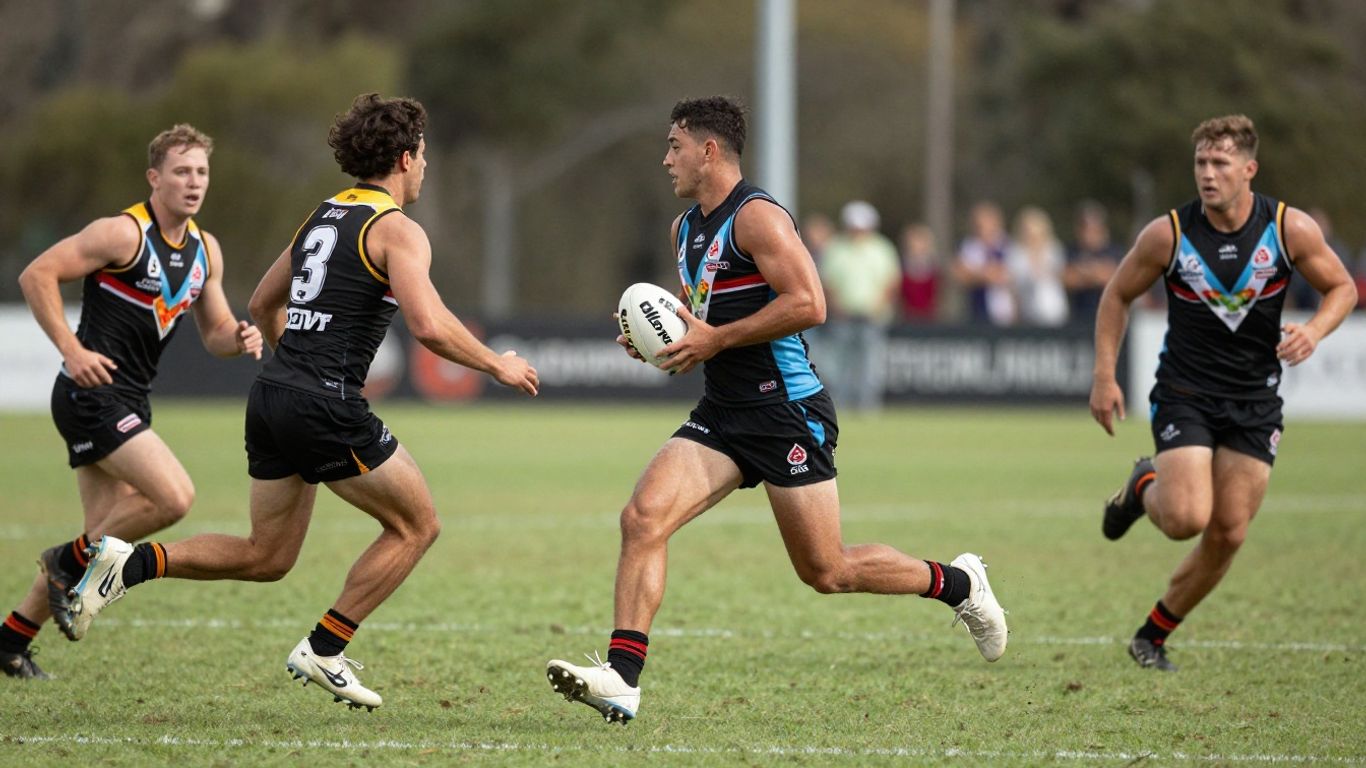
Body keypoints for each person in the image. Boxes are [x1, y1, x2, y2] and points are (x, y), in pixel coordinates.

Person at [66, 93, 540, 709]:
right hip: (324, 403)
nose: (425, 168)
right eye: (423, 157)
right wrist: (495, 362)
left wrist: (293, 360)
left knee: (267, 557)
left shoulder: (323, 215)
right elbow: (427, 324)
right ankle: (324, 647)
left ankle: (126, 565)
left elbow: (262, 303)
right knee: (417, 525)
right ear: (404, 157)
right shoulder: (397, 229)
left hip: (270, 396)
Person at [545, 96, 1006, 724]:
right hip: (723, 412)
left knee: (827, 570)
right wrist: (661, 342)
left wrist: (715, 339)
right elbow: (705, 317)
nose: (665, 160)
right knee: (642, 517)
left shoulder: (758, 218)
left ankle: (960, 585)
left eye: (674, 146)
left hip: (786, 410)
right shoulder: (685, 229)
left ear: (709, 151)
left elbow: (810, 303)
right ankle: (622, 679)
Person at [1090, 114, 1356, 671]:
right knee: (1186, 517)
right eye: (1201, 163)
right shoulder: (1170, 234)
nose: (1207, 175)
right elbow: (1116, 296)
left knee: (1229, 532)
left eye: (1220, 164)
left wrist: (1312, 330)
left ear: (1249, 170)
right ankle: (1145, 484)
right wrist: (1104, 375)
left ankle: (1152, 635)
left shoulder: (1289, 229)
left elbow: (1342, 288)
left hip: (1255, 400)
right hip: (1186, 391)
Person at [1, 125, 263, 680]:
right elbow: (36, 274)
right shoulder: (122, 234)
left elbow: (214, 331)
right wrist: (71, 350)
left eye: (201, 173)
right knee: (173, 497)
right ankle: (63, 561)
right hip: (89, 392)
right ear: (154, 178)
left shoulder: (204, 250)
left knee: (102, 537)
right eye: (181, 172)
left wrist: (238, 339)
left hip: (131, 399)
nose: (194, 183)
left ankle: (11, 640)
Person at [819, 200, 902, 411]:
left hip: (873, 315)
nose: (858, 232)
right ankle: (840, 403)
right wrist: (836, 305)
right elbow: (827, 281)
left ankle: (868, 405)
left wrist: (879, 306)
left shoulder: (882, 248)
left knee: (871, 362)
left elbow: (891, 281)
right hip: (842, 315)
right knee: (839, 362)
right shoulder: (835, 247)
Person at [953, 200, 1015, 326]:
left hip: (1006, 313)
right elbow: (959, 275)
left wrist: (980, 273)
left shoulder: (1009, 246)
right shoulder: (968, 246)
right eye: (979, 224)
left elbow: (1012, 275)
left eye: (987, 223)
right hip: (977, 311)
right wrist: (984, 275)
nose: (983, 228)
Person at [1005, 206, 1069, 327]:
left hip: (1054, 311)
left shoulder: (1053, 249)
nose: (1032, 237)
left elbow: (1060, 275)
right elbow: (1013, 285)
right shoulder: (1016, 252)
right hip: (1027, 312)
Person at [1063, 200, 1122, 324]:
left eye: (1094, 229)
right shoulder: (1071, 251)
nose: (1089, 234)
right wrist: (1096, 272)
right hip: (1079, 316)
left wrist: (1083, 272)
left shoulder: (1114, 251)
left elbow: (1113, 278)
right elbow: (1068, 279)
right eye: (1085, 228)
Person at [898, 222, 939, 323]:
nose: (916, 245)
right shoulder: (901, 267)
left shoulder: (934, 268)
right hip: (906, 318)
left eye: (920, 241)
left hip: (931, 319)